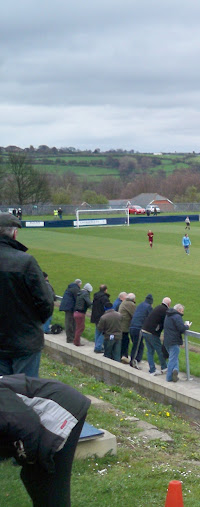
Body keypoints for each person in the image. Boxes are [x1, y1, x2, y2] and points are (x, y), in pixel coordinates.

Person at [0, 374, 90, 506]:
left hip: (60, 408)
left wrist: (28, 459)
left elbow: (28, 425)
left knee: (47, 484)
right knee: (33, 478)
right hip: (39, 414)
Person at [0, 213, 54, 377]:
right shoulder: (26, 262)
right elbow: (45, 302)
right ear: (15, 233)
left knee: (4, 396)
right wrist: (32, 323)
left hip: (18, 339)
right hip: (24, 341)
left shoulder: (24, 262)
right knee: (25, 393)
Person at [141, 297, 171, 376]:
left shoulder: (158, 308)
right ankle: (164, 367)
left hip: (144, 330)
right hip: (152, 333)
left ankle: (152, 369)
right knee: (160, 350)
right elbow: (166, 323)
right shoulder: (165, 311)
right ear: (169, 304)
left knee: (150, 351)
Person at [163, 303, 191, 382]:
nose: (183, 313)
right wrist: (187, 326)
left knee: (174, 358)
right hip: (174, 341)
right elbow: (181, 328)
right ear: (178, 310)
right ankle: (169, 377)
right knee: (173, 359)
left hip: (167, 340)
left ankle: (175, 371)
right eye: (182, 311)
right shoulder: (177, 317)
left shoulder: (168, 315)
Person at [128, 293, 153, 370]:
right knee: (137, 346)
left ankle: (137, 360)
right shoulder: (149, 307)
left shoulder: (140, 305)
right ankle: (133, 361)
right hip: (138, 328)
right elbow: (151, 318)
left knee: (140, 345)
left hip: (131, 327)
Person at [60, 279, 82, 344]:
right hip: (69, 307)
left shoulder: (71, 287)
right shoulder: (75, 288)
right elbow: (78, 298)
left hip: (68, 306)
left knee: (71, 322)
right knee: (69, 322)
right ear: (78, 284)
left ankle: (71, 337)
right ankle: (70, 338)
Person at [91, 284, 110, 354]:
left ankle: (97, 345)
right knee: (103, 332)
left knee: (97, 331)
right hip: (102, 317)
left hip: (95, 316)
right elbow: (107, 308)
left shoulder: (95, 296)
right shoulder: (105, 298)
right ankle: (98, 347)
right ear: (106, 290)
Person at [118, 292, 136, 362]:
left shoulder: (124, 302)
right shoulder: (130, 304)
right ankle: (124, 356)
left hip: (120, 324)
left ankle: (121, 355)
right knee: (125, 340)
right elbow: (134, 314)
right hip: (124, 326)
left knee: (123, 340)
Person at [72, 283, 92, 347]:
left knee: (78, 327)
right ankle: (77, 342)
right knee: (80, 328)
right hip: (80, 313)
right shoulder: (85, 294)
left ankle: (75, 340)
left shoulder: (79, 293)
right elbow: (89, 303)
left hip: (75, 312)